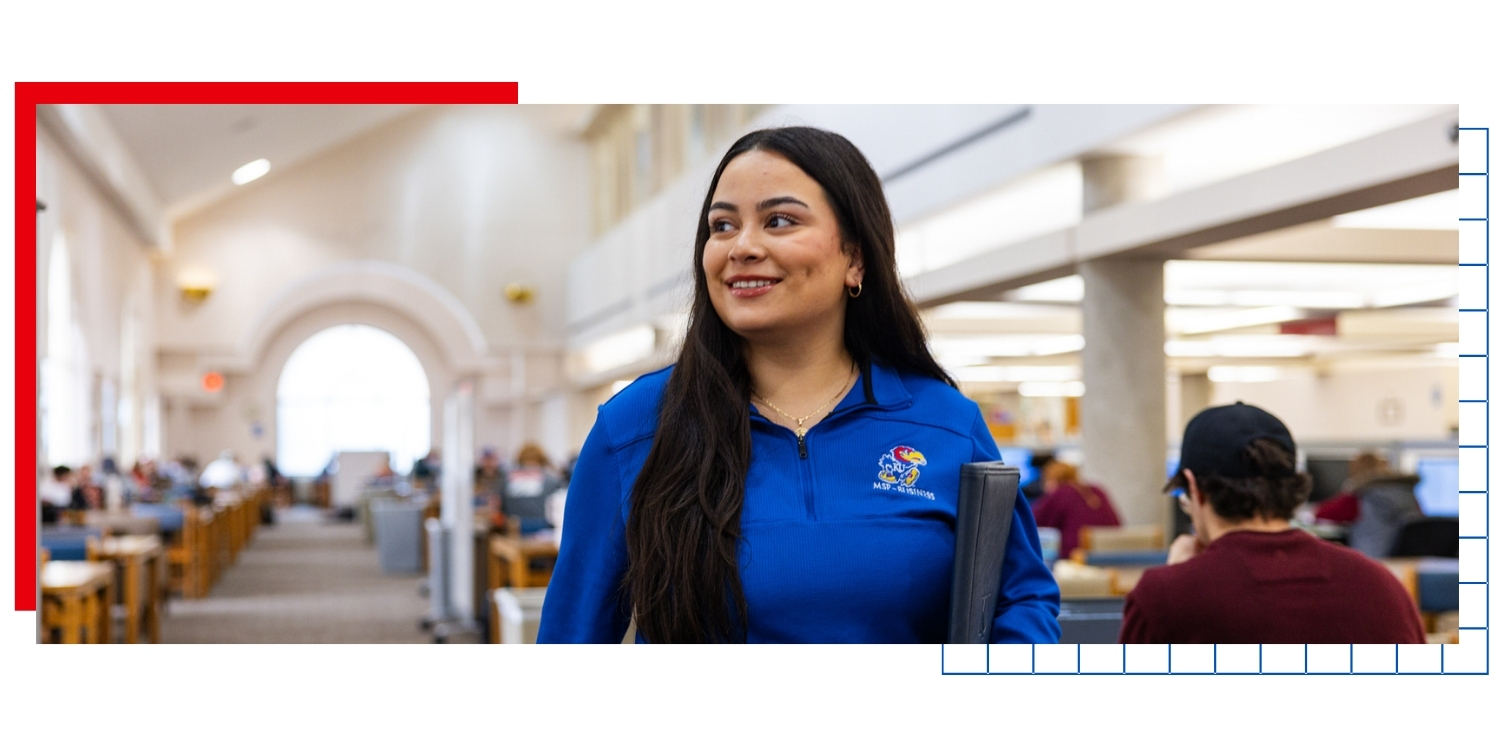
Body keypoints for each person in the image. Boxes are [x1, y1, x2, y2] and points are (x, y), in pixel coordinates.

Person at [539, 127, 1059, 644]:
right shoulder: (635, 426)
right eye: (722, 226)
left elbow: (1020, 598)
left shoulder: (944, 423)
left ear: (854, 259)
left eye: (779, 221)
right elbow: (571, 635)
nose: (742, 246)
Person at [1120, 403, 1424, 644]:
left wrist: (1176, 580)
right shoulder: (1381, 586)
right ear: (1293, 485)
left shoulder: (1164, 598)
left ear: (1193, 487)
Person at [1315, 452, 1423, 558]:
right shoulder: (1408, 494)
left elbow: (1320, 512)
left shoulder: (1361, 496)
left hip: (1372, 561)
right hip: (1407, 564)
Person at [1031, 461, 1121, 559]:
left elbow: (1031, 521)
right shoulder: (1097, 490)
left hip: (1077, 557)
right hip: (1113, 555)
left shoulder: (1060, 493)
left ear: (1051, 481)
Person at [501, 443, 563, 535]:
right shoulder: (550, 480)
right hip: (543, 530)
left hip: (515, 529)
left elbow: (502, 506)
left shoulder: (507, 479)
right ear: (542, 459)